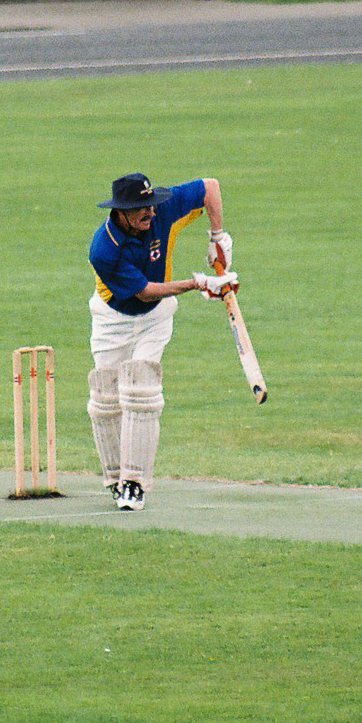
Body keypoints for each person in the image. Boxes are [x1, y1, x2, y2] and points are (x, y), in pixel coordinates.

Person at [86, 173, 238, 511]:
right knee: (105, 400)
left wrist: (217, 236)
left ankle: (134, 483)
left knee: (141, 391)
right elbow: (143, 292)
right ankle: (115, 479)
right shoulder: (104, 248)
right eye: (141, 209)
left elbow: (210, 186)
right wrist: (199, 283)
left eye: (151, 205)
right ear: (121, 212)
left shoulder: (161, 210)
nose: (150, 214)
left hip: (156, 318)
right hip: (112, 319)